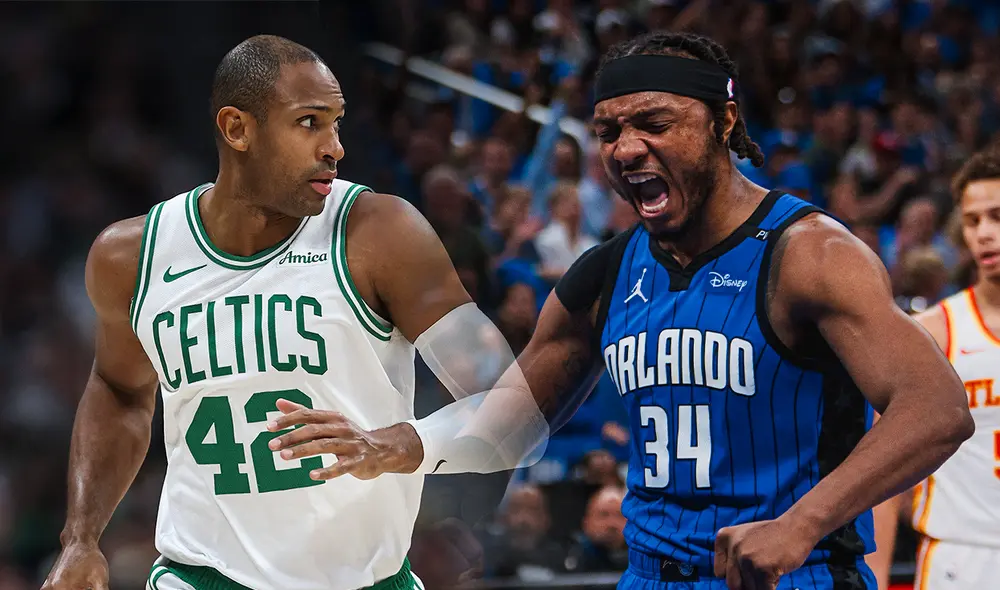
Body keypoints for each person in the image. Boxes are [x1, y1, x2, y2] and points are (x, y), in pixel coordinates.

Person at [267, 31, 975, 590]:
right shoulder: (606, 273)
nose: (627, 147)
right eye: (609, 131)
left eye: (654, 123)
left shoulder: (810, 253)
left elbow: (936, 406)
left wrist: (802, 523)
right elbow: (505, 429)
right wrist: (396, 443)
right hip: (647, 576)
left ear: (725, 122)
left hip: (791, 574)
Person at [41, 35, 524, 590]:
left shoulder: (379, 233)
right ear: (237, 129)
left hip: (365, 578)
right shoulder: (131, 256)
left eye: (337, 122)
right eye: (309, 122)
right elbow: (118, 390)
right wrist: (81, 537)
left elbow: (513, 407)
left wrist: (399, 444)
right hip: (200, 576)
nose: (335, 147)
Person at [869, 148, 1000, 590]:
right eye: (972, 220)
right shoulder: (934, 332)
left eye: (997, 216)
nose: (984, 233)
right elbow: (882, 477)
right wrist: (878, 579)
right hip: (960, 559)